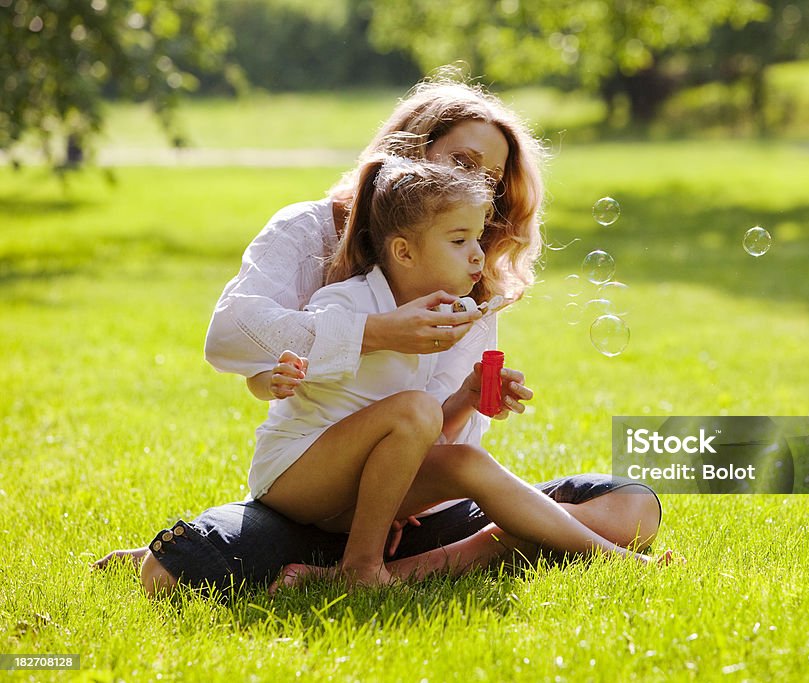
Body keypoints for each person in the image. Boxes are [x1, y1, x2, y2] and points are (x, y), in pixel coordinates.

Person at [93, 77, 665, 595]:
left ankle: (396, 568)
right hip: (312, 490)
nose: (478, 189)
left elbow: (438, 437)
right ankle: (347, 559)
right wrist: (376, 333)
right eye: (461, 162)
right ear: (412, 157)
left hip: (405, 500)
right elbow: (229, 338)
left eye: (490, 178)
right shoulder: (313, 233)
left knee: (630, 508)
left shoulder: (466, 269)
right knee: (172, 575)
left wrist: (468, 399)